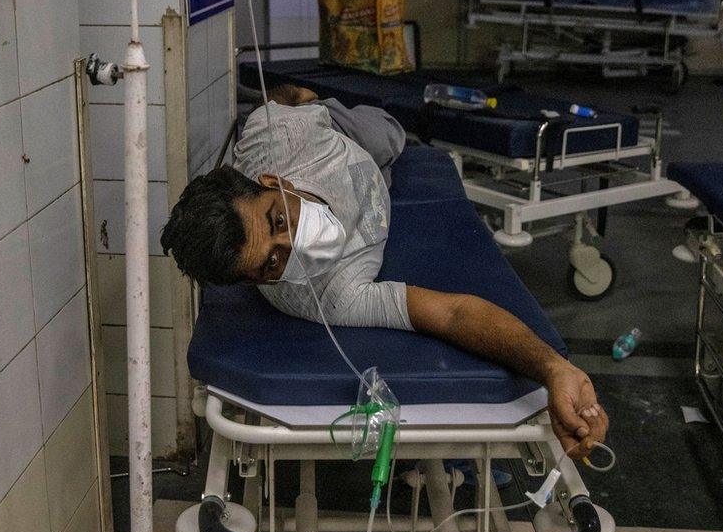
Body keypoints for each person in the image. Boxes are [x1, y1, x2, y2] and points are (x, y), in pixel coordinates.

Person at [160, 85, 608, 458]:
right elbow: (451, 314)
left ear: (276, 183)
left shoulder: (276, 136)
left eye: (279, 221)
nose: (292, 244)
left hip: (340, 133)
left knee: (388, 133)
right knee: (390, 155)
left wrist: (303, 101)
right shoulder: (330, 298)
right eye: (272, 262)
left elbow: (286, 97)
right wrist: (555, 369)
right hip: (378, 180)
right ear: (254, 281)